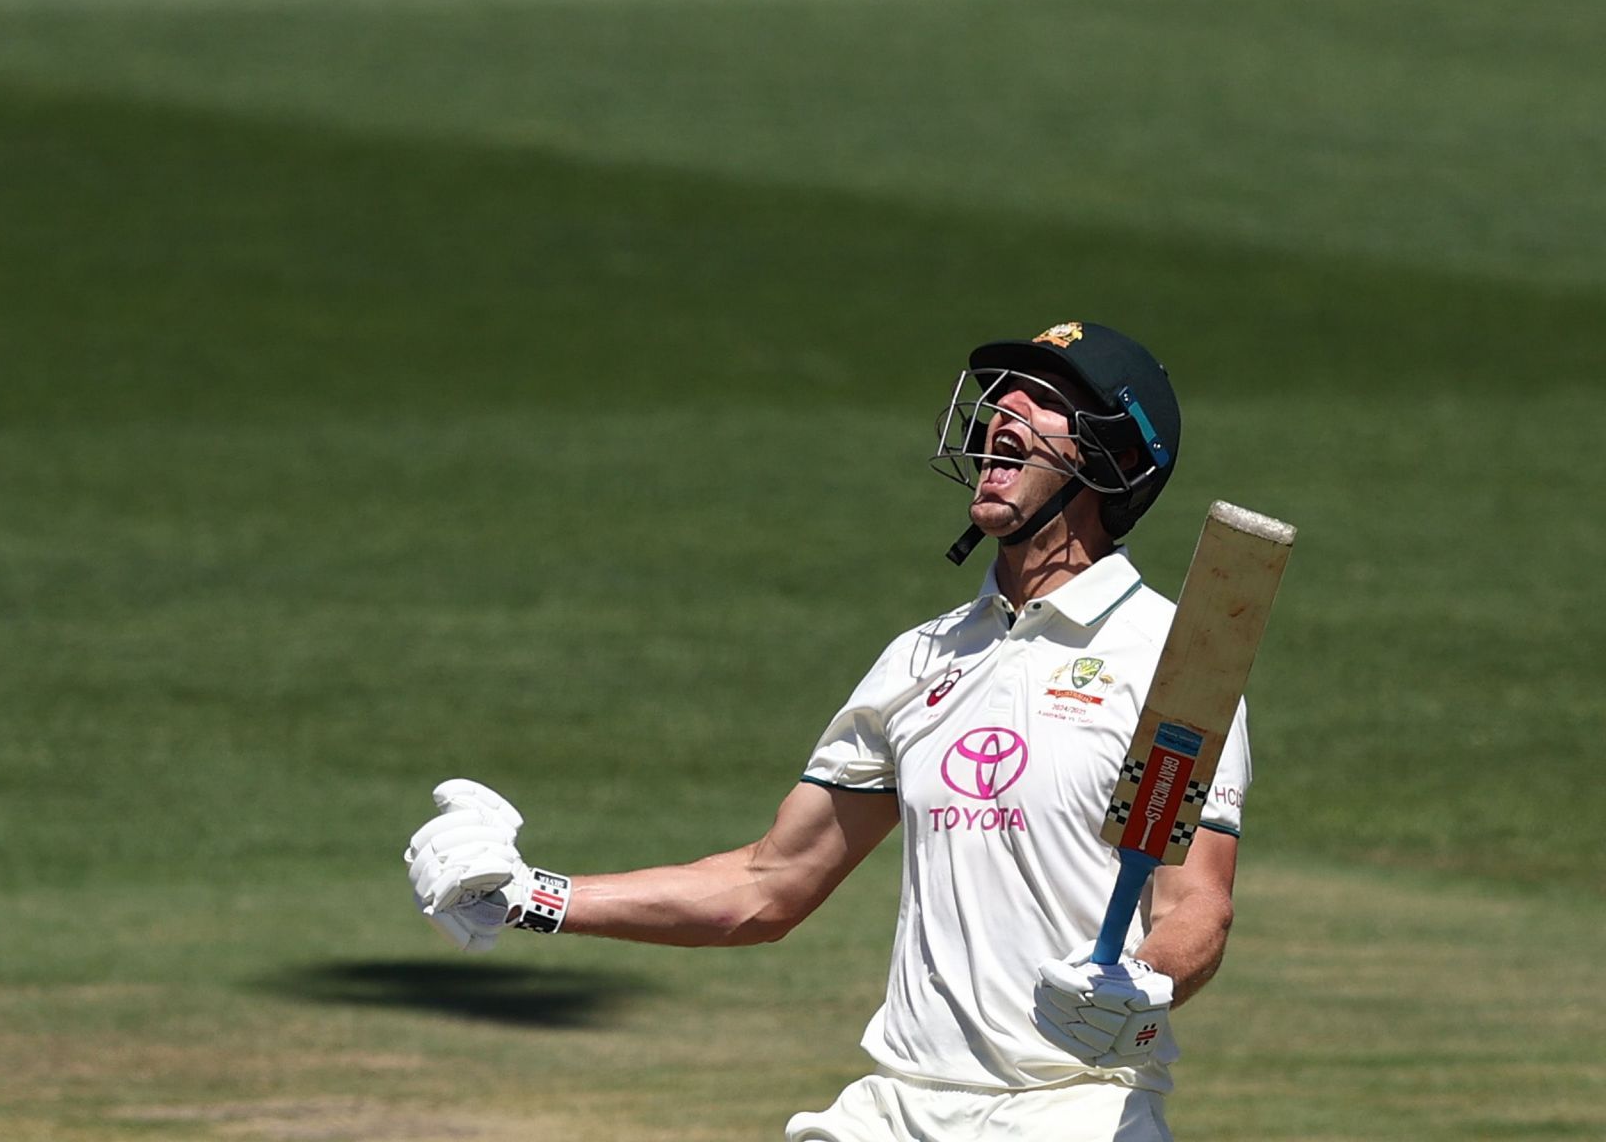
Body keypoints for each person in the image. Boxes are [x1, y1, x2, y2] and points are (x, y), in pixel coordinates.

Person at [403, 321, 1252, 1141]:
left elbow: (1195, 905)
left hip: (1073, 1110)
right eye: (1003, 394)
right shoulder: (921, 659)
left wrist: (1143, 982)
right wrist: (531, 897)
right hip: (901, 1105)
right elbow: (766, 885)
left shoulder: (1170, 664)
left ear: (1115, 454)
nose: (1004, 412)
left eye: (1045, 398)